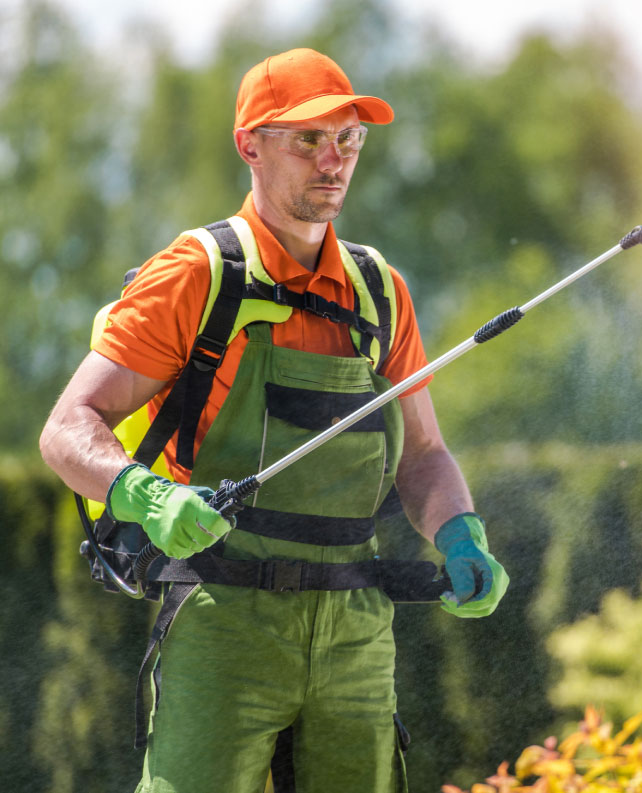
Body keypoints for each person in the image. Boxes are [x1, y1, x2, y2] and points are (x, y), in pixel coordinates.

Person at [39, 47, 508, 793]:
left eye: (349, 138)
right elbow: (66, 428)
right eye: (309, 139)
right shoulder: (198, 275)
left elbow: (423, 453)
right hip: (224, 623)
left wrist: (459, 531)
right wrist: (148, 496)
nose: (334, 160)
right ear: (249, 144)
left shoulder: (380, 292)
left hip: (358, 630)